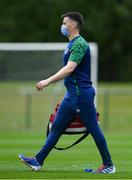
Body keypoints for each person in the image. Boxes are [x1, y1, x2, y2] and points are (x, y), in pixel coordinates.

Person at [19, 12, 116, 174]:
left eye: (65, 23)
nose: (62, 26)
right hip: (71, 96)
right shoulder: (71, 44)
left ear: (73, 25)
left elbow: (69, 69)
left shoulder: (79, 44)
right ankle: (37, 161)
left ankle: (109, 165)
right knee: (56, 127)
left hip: (81, 95)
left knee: (94, 128)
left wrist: (47, 81)